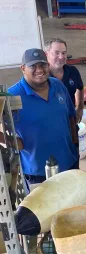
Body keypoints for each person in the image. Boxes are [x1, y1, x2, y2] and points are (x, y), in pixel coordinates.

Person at [6, 49, 78, 193]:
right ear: (23, 69)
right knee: (42, 213)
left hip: (68, 162)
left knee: (72, 207)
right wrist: (12, 141)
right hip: (37, 171)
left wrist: (75, 144)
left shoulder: (57, 85)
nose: (39, 70)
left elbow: (70, 115)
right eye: (33, 66)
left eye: (42, 65)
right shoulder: (12, 96)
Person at [45, 38, 84, 166]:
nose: (61, 57)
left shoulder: (72, 71)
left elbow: (80, 87)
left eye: (64, 53)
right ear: (46, 54)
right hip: (50, 128)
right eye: (56, 53)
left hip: (70, 125)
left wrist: (79, 107)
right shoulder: (41, 76)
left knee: (73, 159)